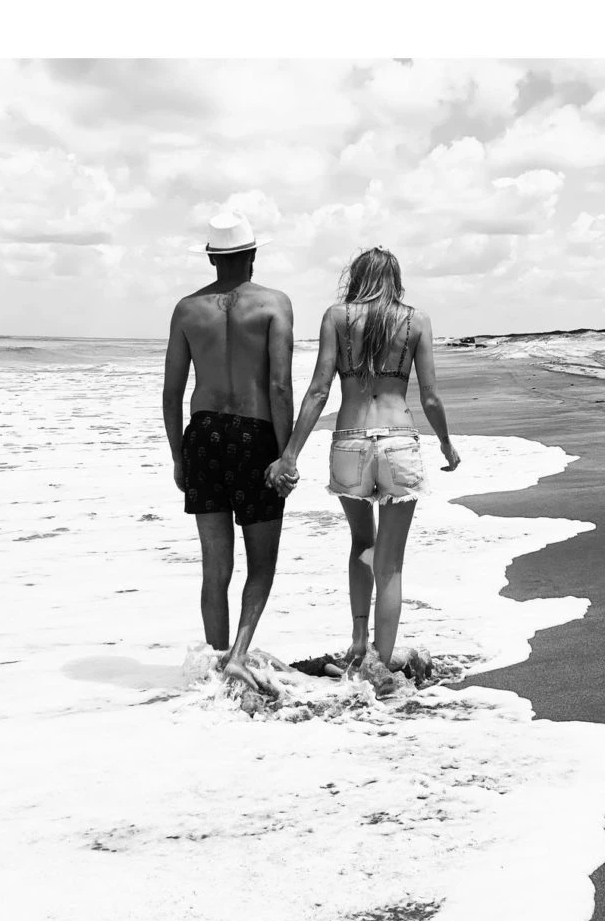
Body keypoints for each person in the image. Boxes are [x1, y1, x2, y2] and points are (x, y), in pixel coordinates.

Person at [266, 246, 460, 683]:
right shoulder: (416, 321)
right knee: (390, 562)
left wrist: (290, 453)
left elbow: (318, 390)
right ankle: (380, 665)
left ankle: (358, 641)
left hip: (350, 442)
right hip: (399, 443)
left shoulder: (337, 317)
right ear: (396, 280)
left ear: (355, 278)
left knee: (361, 543)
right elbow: (429, 396)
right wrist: (446, 443)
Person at [163, 212, 295, 689]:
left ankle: (217, 668)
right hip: (255, 437)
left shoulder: (187, 310)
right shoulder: (274, 304)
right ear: (253, 255)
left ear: (211, 259)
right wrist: (286, 454)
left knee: (215, 566)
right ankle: (238, 655)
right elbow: (279, 387)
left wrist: (179, 456)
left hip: (203, 436)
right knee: (262, 563)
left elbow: (171, 393)